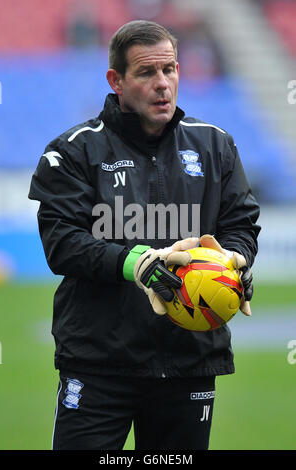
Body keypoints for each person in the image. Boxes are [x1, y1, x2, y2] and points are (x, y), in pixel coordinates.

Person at [28, 20, 260, 451]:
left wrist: (235, 262)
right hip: (99, 363)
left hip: (191, 358)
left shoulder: (215, 146)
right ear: (116, 80)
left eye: (170, 69)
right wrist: (138, 264)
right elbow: (63, 243)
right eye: (147, 72)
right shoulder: (74, 151)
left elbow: (241, 225)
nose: (163, 84)